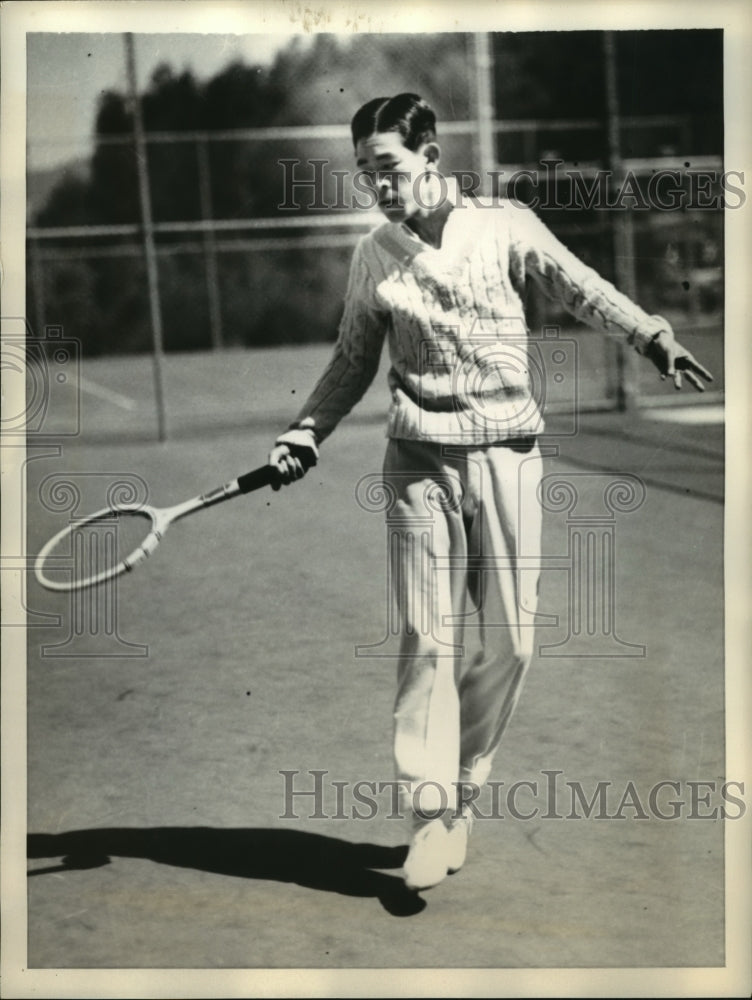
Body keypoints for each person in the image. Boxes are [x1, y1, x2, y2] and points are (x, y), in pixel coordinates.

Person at [268, 94, 713, 892]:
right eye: (366, 173)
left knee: (514, 642)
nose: (380, 186)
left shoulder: (504, 224)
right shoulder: (374, 254)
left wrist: (651, 335)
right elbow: (351, 359)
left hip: (508, 455)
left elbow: (579, 286)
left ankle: (464, 794)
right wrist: (305, 430)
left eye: (390, 167)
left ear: (431, 156)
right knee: (427, 640)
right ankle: (428, 816)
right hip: (418, 463)